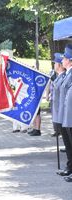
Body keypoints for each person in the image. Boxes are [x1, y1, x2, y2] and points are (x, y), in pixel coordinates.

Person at [57, 44, 72, 181]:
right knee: (69, 144)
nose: (62, 61)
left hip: (70, 115)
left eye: (65, 58)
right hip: (66, 115)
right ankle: (70, 168)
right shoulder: (68, 74)